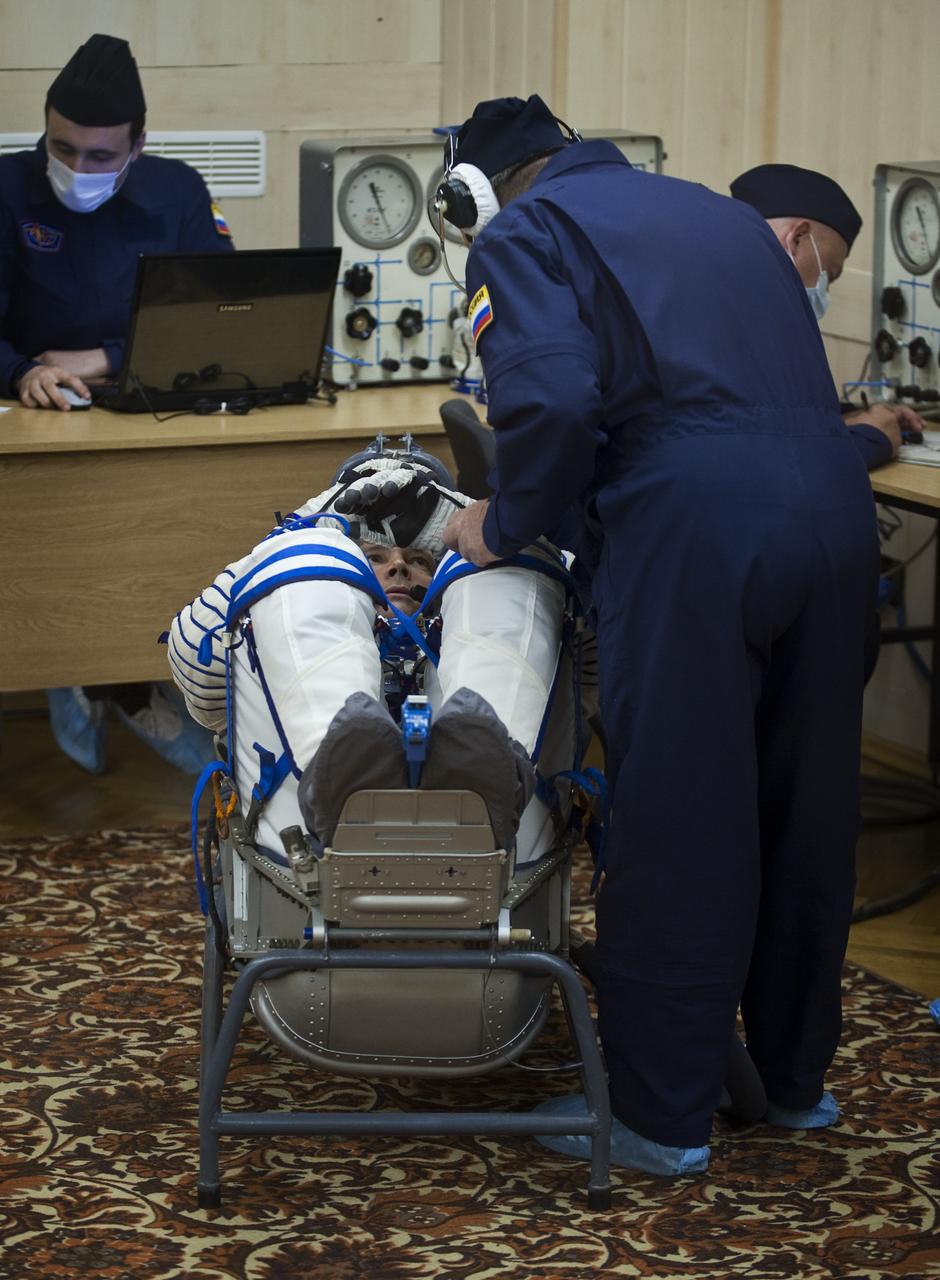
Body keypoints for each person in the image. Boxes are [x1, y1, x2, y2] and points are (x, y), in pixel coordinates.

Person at [440, 96, 880, 1176]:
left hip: (693, 524)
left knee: (681, 815)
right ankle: (790, 1083)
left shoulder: (521, 232)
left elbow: (546, 401)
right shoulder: (721, 214)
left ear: (480, 191)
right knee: (804, 804)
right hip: (832, 512)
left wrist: (497, 523)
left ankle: (661, 1113)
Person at [0, 33, 234, 773]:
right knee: (45, 565)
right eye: (61, 148)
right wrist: (18, 373)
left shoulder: (179, 192)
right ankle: (79, 668)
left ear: (138, 146)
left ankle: (129, 677)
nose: (76, 168)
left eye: (99, 156)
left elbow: (219, 317)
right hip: (35, 423)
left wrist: (106, 358)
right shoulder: (6, 190)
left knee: (180, 532)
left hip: (146, 416)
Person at [167, 454, 568, 858]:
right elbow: (195, 667)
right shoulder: (279, 628)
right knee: (311, 550)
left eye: (418, 561)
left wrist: (473, 516)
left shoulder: (461, 617)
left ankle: (483, 768)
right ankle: (340, 762)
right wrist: (311, 521)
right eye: (374, 559)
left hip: (496, 832)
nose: (397, 567)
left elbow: (585, 637)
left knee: (505, 560)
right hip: (308, 845)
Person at [730, 163, 927, 469]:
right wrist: (871, 438)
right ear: (797, 238)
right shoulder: (729, 326)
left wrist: (849, 415)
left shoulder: (726, 302)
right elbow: (774, 468)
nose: (825, 292)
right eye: (829, 275)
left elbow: (777, 415)